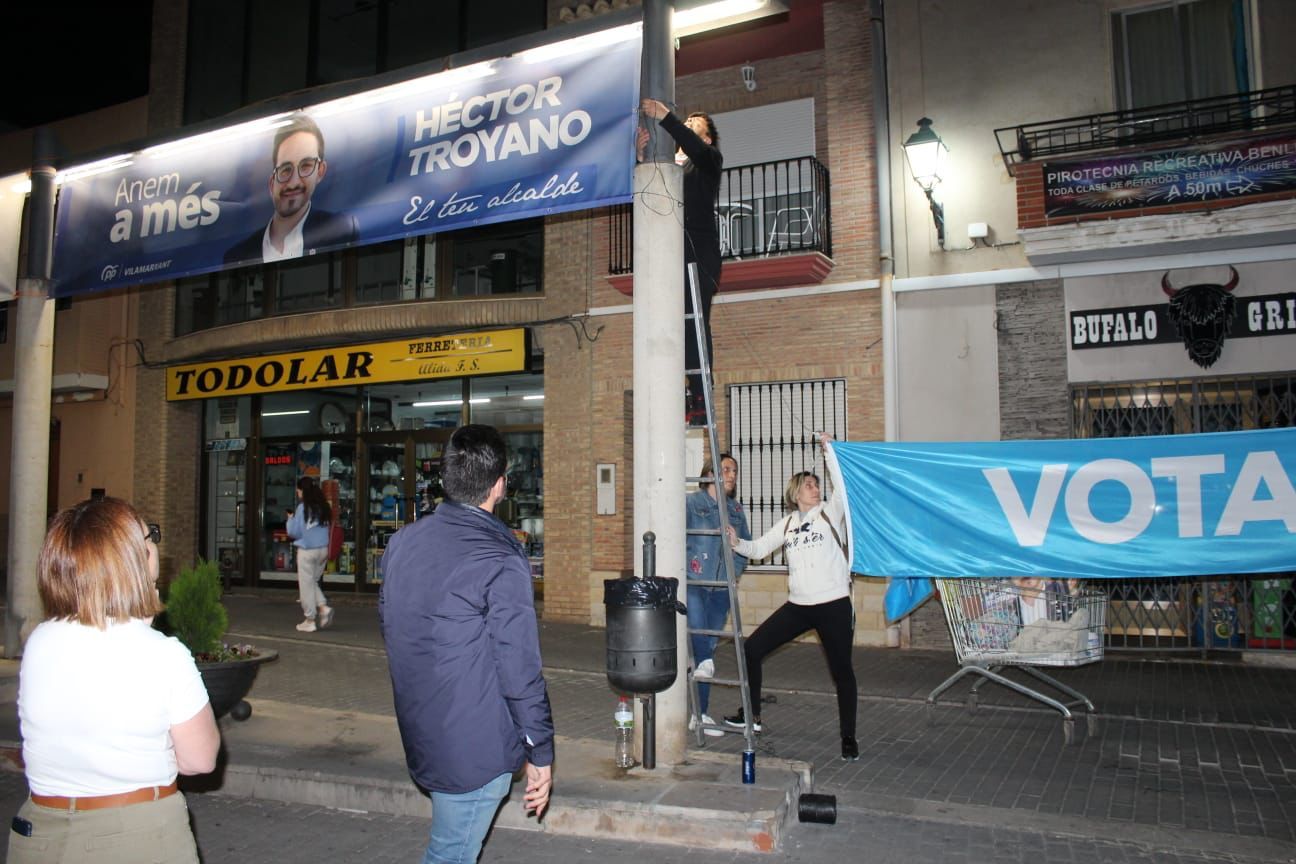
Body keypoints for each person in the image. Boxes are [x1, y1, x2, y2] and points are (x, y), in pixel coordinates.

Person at [9, 498, 219, 864]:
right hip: (135, 838)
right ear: (133, 560)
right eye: (148, 536)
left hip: (38, 835)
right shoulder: (163, 655)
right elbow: (200, 760)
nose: (155, 546)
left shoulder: (40, 641)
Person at [380, 424, 554, 863]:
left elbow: (394, 630)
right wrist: (540, 749)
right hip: (474, 745)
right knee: (450, 854)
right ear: (499, 485)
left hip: (424, 728)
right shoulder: (500, 558)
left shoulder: (402, 543)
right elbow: (519, 668)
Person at [723, 434, 860, 761]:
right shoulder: (786, 524)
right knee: (751, 648)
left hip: (834, 604)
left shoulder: (831, 512)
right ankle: (752, 717)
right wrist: (736, 541)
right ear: (795, 493)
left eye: (816, 484)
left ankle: (848, 738)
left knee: (842, 672)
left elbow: (841, 484)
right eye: (809, 485)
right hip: (799, 605)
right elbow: (757, 549)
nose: (815, 488)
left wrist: (830, 449)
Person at [638, 97, 723, 426]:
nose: (686, 128)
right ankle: (687, 392)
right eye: (684, 124)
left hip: (699, 254)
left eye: (693, 127)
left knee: (694, 323)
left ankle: (702, 393)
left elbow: (696, 150)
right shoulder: (670, 167)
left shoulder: (708, 161)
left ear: (706, 138)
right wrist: (640, 157)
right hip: (668, 255)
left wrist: (666, 117)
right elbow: (647, 194)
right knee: (673, 325)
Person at [224, 112, 358, 265]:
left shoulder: (339, 230)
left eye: (306, 166)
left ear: (320, 171)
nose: (294, 182)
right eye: (286, 170)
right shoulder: (237, 255)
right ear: (272, 182)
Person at [686, 453, 750, 736]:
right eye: (726, 469)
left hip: (722, 587)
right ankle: (698, 713)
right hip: (695, 581)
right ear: (710, 473)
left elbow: (743, 546)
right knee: (700, 642)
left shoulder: (735, 509)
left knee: (705, 654)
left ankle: (699, 714)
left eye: (734, 470)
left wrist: (733, 575)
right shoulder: (692, 503)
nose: (732, 475)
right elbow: (676, 538)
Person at [286, 476, 334, 633]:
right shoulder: (323, 506)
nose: (297, 493)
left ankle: (309, 620)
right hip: (322, 550)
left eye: (298, 490)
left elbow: (294, 532)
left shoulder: (302, 508)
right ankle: (322, 608)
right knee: (312, 581)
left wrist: (290, 519)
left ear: (302, 491)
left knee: (306, 585)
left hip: (307, 551)